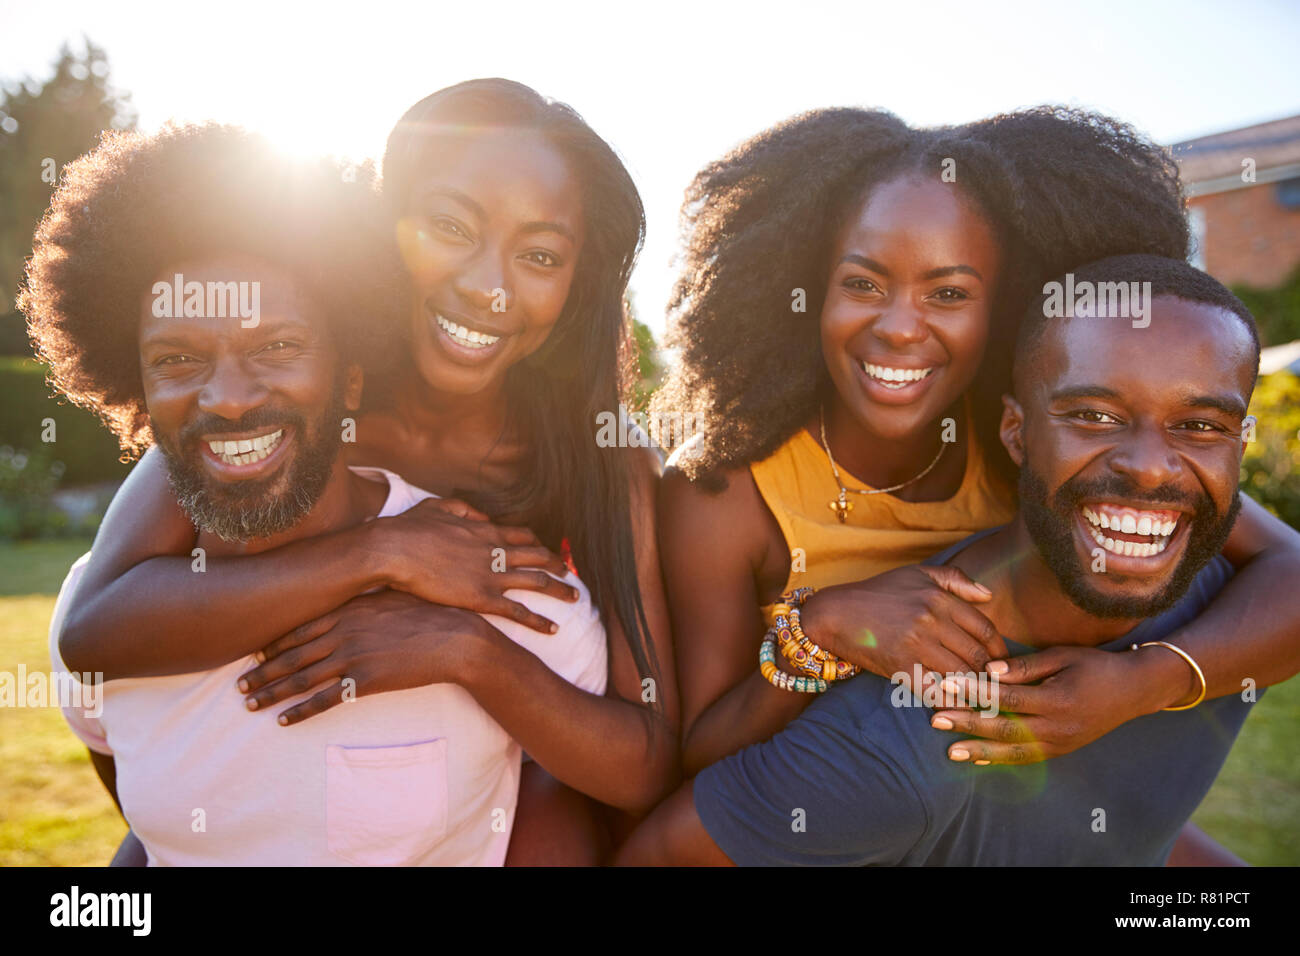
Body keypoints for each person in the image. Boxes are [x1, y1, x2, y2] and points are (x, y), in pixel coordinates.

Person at [49, 80, 679, 863]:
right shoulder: (289, 398)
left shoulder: (601, 461)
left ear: (577, 283)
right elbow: (97, 627)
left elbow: (646, 750)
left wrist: (460, 647)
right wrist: (383, 553)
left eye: (540, 255)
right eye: (452, 226)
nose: (489, 284)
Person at [651, 106, 1300, 779]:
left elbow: (1291, 571)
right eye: (863, 284)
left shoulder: (1030, 437)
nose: (900, 328)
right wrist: (819, 629)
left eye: (949, 292)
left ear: (1006, 307)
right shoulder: (726, 491)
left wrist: (1142, 684)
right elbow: (698, 755)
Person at [618, 255, 1285, 866]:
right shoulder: (904, 747)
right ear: (1015, 433)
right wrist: (812, 627)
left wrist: (1151, 683)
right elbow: (657, 856)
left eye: (1200, 426)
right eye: (1094, 416)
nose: (1149, 467)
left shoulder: (1227, 598)